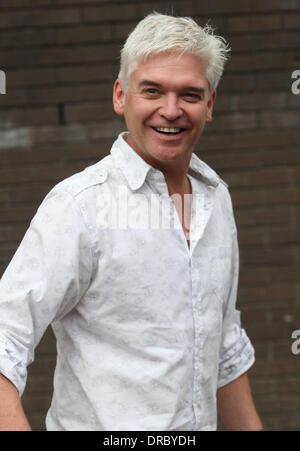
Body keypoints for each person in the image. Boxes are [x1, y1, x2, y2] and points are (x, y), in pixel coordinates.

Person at [0, 13, 262, 431]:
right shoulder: (80, 206)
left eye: (190, 94)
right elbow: (4, 339)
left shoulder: (217, 200)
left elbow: (225, 348)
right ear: (121, 96)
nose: (171, 110)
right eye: (153, 90)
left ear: (210, 105)